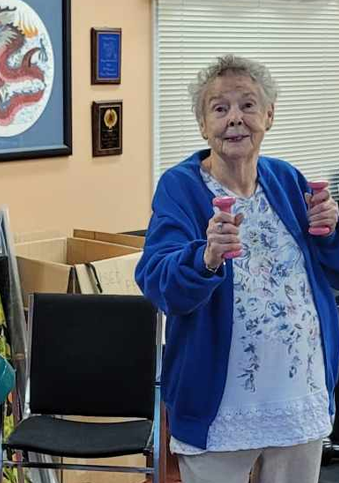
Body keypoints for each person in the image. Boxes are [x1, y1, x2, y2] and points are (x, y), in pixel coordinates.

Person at [135, 54, 339, 483]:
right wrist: (205, 258)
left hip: (298, 397)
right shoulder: (180, 186)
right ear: (202, 123)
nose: (235, 119)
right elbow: (157, 281)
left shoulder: (288, 179)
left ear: (269, 115)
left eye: (247, 105)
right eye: (220, 108)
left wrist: (330, 233)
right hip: (220, 407)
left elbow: (331, 272)